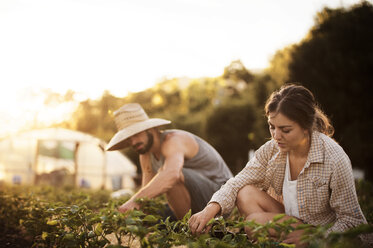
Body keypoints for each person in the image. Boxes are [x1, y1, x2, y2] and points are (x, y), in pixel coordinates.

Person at [189, 84, 367, 246]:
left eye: (285, 130)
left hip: (322, 232)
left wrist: (316, 238)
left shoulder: (334, 158)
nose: (276, 136)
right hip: (291, 221)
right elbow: (238, 181)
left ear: (306, 127)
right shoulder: (272, 149)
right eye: (272, 127)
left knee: (254, 225)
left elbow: (352, 220)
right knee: (245, 192)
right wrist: (209, 209)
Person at [106, 103, 233, 220]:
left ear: (150, 129)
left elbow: (172, 175)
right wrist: (137, 216)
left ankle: (189, 231)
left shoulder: (173, 140)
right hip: (193, 203)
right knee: (149, 216)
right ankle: (185, 224)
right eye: (128, 138)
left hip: (221, 197)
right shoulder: (145, 153)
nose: (133, 142)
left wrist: (134, 201)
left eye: (136, 134)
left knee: (171, 176)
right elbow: (147, 194)